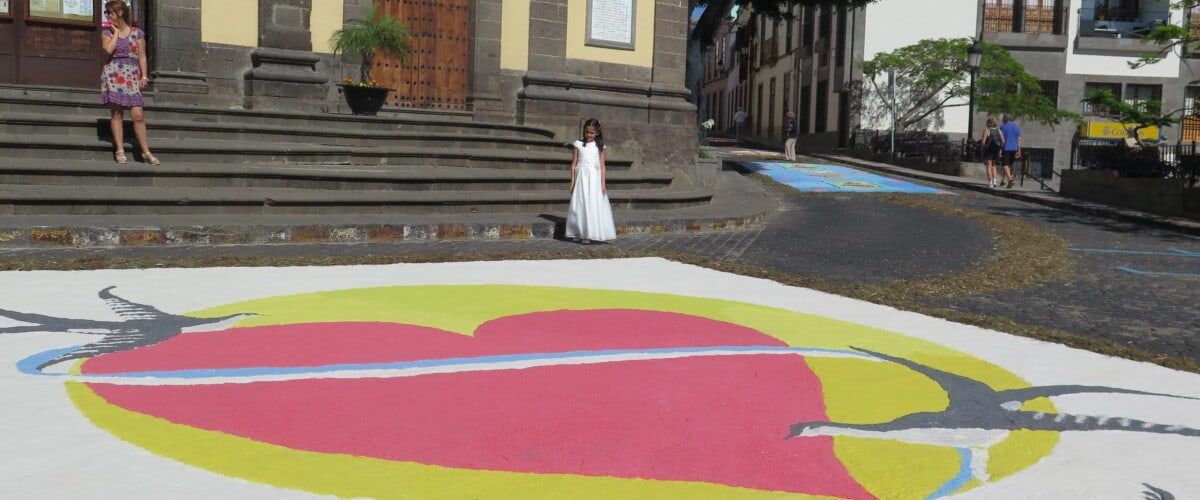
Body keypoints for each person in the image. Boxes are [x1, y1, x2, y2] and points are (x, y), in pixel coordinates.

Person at [101, 0, 159, 165]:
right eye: (106, 13)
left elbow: (142, 56)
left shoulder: (137, 33)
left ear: (120, 12)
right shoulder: (107, 33)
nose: (107, 15)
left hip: (132, 75)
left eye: (110, 12)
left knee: (138, 115)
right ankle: (120, 149)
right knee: (117, 113)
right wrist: (116, 33)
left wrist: (144, 76)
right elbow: (108, 50)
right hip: (113, 74)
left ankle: (146, 151)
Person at [566, 119, 617, 244]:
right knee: (580, 204)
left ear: (597, 133)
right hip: (581, 178)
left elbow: (602, 166)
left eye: (592, 133)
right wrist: (572, 182)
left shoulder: (600, 147)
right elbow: (573, 164)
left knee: (592, 204)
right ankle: (580, 231)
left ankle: (590, 232)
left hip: (594, 178)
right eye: (587, 132)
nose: (589, 135)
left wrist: (603, 184)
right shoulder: (578, 144)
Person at [980, 117, 1004, 189]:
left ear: (988, 123)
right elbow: (1003, 140)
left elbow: (983, 141)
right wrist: (1000, 148)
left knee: (988, 166)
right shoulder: (998, 130)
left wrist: (982, 148)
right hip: (996, 150)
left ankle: (990, 182)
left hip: (989, 150)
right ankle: (994, 181)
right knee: (994, 166)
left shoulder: (987, 130)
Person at [999, 114, 1022, 188]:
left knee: (1005, 165)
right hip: (1014, 148)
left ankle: (1010, 179)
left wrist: (1000, 149)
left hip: (1006, 148)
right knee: (1008, 166)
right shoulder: (1017, 127)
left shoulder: (1003, 127)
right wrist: (1019, 150)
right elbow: (1019, 139)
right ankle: (1004, 181)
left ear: (1005, 119)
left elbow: (1001, 139)